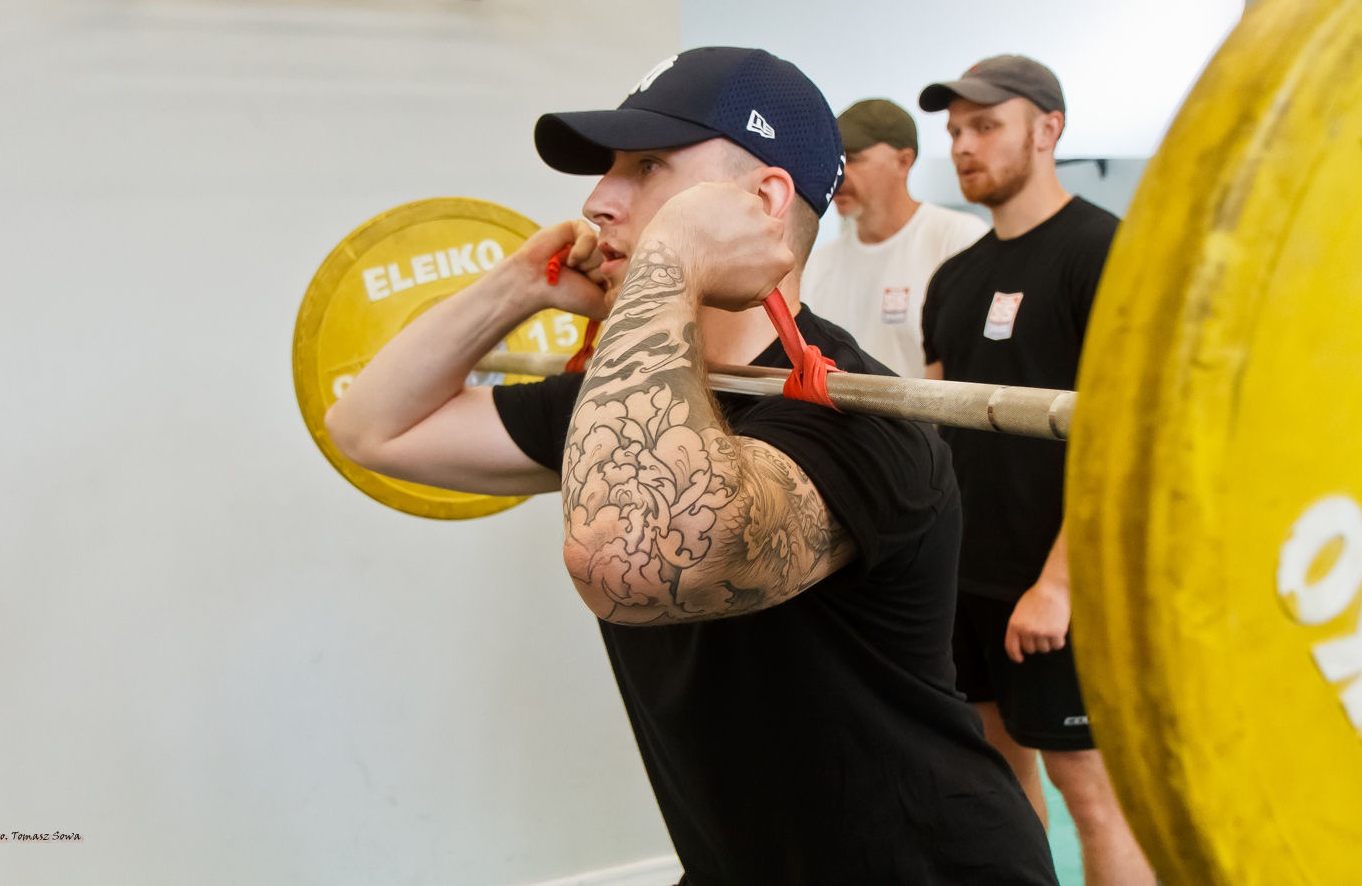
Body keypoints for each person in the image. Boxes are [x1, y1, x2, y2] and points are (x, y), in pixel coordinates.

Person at [326, 47, 1057, 885]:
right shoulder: (622, 401)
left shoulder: (859, 425)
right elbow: (370, 427)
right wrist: (518, 285)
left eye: (646, 167)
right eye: (607, 169)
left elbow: (634, 562)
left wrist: (671, 259)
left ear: (764, 200)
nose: (599, 200)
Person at [918, 55, 1155, 885]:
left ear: (1048, 129)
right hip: (967, 581)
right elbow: (934, 431)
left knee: (1092, 794)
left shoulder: (1105, 253)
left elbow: (1125, 441)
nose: (963, 145)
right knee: (997, 784)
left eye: (985, 125)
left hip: (1059, 583)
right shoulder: (954, 277)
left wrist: (1058, 583)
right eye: (954, 131)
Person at [802, 99, 986, 377]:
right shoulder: (818, 264)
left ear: (903, 161)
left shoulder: (959, 240)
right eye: (833, 160)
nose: (836, 174)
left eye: (851, 159)